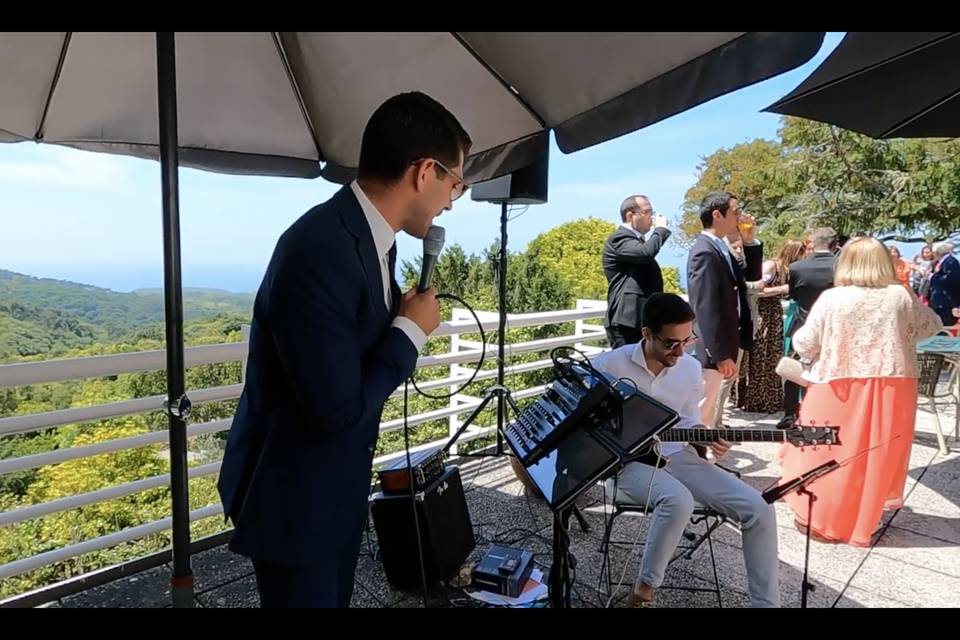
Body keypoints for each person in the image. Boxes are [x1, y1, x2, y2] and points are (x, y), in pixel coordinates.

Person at [217, 92, 471, 607]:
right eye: (455, 183)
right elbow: (334, 411)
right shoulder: (319, 249)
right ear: (425, 171)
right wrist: (409, 334)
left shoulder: (375, 240)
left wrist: (395, 318)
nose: (450, 200)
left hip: (336, 489)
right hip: (295, 497)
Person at [592, 293, 780, 608]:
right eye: (671, 344)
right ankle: (643, 592)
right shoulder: (609, 365)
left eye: (687, 340)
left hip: (676, 456)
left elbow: (689, 422)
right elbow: (585, 420)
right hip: (623, 464)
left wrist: (706, 438)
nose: (680, 352)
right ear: (647, 334)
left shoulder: (690, 369)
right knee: (677, 500)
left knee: (758, 509)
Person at [778, 237, 942, 546]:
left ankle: (824, 513)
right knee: (877, 453)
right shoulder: (900, 295)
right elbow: (931, 324)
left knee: (827, 448)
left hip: (838, 382)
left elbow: (804, 343)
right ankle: (866, 516)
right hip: (893, 383)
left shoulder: (833, 298)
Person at [686, 191, 763, 428]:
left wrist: (749, 241)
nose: (740, 217)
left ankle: (707, 457)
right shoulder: (704, 251)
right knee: (704, 409)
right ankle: (700, 459)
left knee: (712, 407)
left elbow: (751, 276)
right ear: (717, 215)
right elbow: (705, 306)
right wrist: (719, 353)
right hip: (713, 348)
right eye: (736, 212)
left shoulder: (720, 246)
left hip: (729, 340)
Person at [737, 239, 806, 413]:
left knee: (773, 356)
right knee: (759, 356)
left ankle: (772, 399)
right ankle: (756, 399)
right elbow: (757, 290)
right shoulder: (771, 267)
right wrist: (782, 289)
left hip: (774, 314)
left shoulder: (787, 271)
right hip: (761, 314)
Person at [780, 228, 837, 429]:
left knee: (794, 370)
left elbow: (793, 296)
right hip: (832, 328)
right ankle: (819, 411)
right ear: (835, 244)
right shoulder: (840, 266)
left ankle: (789, 414)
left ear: (813, 242)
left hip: (802, 324)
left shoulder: (797, 267)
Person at [602, 195, 671, 348]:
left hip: (641, 320)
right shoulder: (619, 239)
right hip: (626, 321)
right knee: (626, 369)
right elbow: (646, 253)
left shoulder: (636, 240)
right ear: (630, 216)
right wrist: (661, 230)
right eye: (647, 212)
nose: (651, 217)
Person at [929, 241, 960, 328]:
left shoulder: (950, 262)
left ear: (937, 252)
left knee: (945, 328)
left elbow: (951, 278)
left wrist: (933, 277)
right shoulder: (941, 262)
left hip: (947, 302)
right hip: (939, 301)